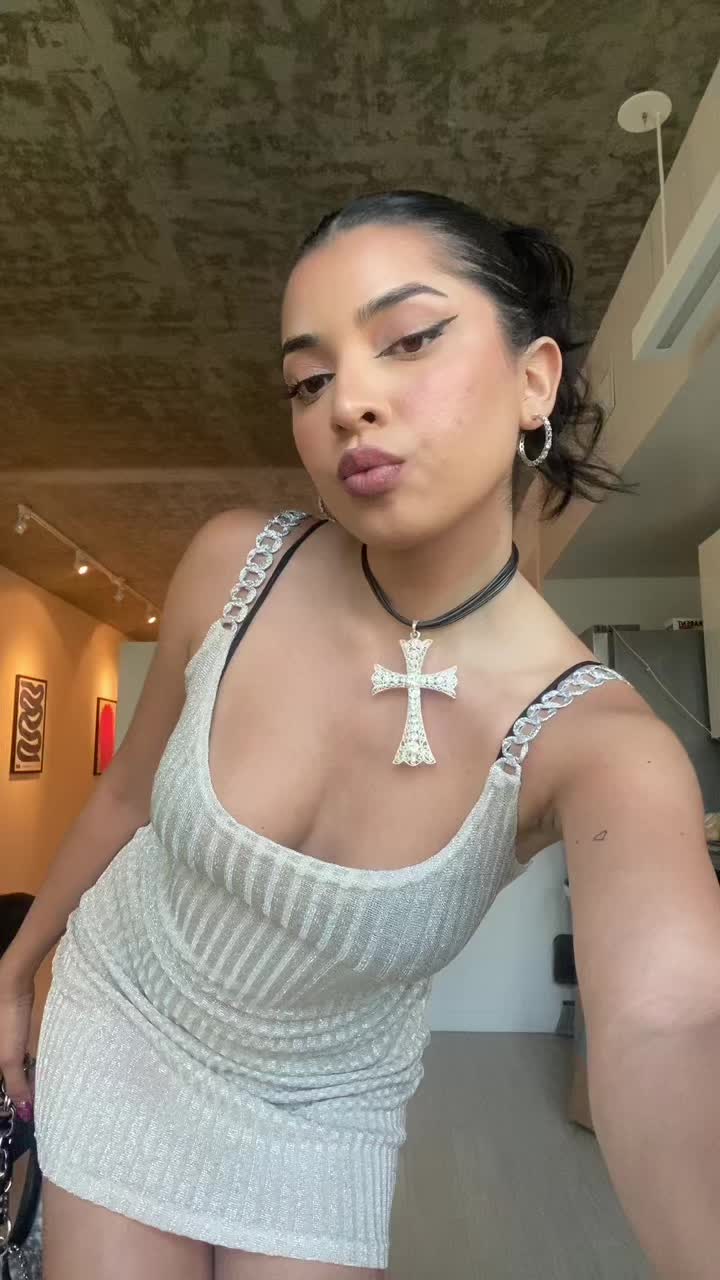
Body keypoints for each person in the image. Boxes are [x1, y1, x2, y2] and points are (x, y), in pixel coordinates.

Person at [0, 190, 716, 1280]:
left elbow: (673, 1023)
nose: (348, 403)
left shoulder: (599, 742)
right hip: (126, 1019)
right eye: (309, 379)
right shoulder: (235, 565)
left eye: (410, 339)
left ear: (534, 381)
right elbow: (127, 793)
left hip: (322, 1106)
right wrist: (16, 969)